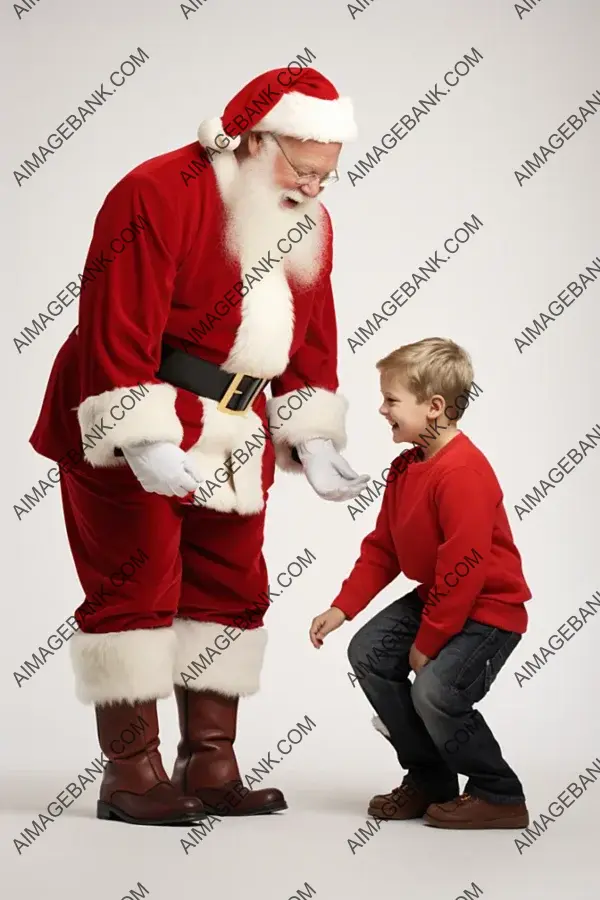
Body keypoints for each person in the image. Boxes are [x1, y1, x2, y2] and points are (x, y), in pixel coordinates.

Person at [29, 65, 369, 827]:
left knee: (230, 587)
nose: (317, 189)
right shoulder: (155, 192)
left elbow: (313, 331)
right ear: (253, 139)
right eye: (304, 170)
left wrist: (309, 434)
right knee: (137, 588)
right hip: (132, 406)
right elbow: (115, 320)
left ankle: (209, 761)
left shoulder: (305, 214)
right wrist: (140, 436)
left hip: (236, 430)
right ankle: (131, 774)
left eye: (328, 175)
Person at [309, 337, 531, 829]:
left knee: (435, 690)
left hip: (488, 610)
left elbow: (466, 566)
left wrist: (428, 642)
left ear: (434, 407)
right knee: (367, 652)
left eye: (391, 400)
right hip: (442, 597)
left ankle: (498, 792)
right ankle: (429, 776)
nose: (381, 409)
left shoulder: (462, 473)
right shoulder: (406, 469)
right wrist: (343, 607)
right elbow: (383, 548)